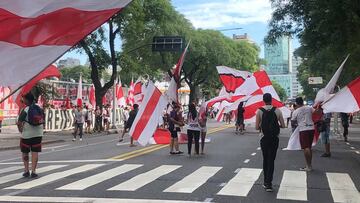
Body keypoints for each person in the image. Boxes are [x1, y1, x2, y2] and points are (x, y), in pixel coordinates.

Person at [255, 93, 285, 192]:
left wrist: (262, 127)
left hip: (264, 138)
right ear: (271, 100)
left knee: (265, 159)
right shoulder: (277, 110)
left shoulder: (259, 111)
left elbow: (256, 127)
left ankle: (265, 182)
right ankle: (269, 184)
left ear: (263, 100)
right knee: (271, 160)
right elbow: (283, 125)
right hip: (274, 138)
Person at [17, 93, 44, 178]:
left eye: (24, 99)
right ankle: (34, 171)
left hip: (27, 135)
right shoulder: (39, 108)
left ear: (27, 100)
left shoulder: (25, 109)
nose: (23, 100)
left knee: (25, 152)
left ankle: (26, 170)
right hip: (38, 134)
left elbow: (19, 122)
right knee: (35, 152)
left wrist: (20, 129)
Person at [291, 97, 315, 172]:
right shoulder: (309, 108)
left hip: (303, 129)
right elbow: (315, 113)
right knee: (309, 147)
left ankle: (308, 166)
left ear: (296, 103)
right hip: (311, 128)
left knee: (306, 147)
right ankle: (309, 164)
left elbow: (293, 121)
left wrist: (297, 123)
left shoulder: (296, 111)